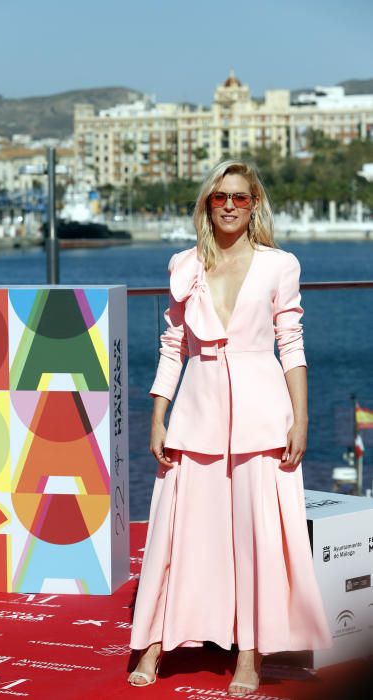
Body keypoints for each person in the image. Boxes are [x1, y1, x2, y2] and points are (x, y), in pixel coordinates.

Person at [127, 159, 333, 695]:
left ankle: (250, 653)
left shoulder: (278, 265)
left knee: (256, 538)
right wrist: (158, 413)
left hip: (263, 416)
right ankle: (154, 642)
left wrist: (302, 418)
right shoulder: (185, 266)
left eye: (240, 197)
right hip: (197, 411)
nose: (230, 206)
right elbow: (173, 346)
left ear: (255, 202)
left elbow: (291, 344)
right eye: (220, 197)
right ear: (206, 204)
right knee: (182, 533)